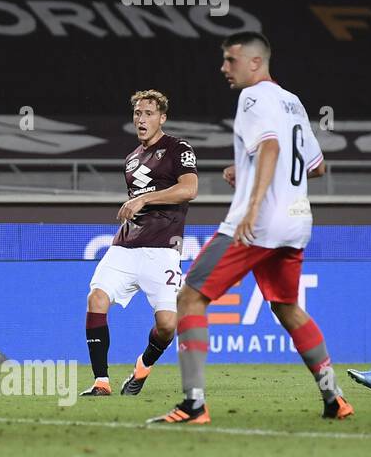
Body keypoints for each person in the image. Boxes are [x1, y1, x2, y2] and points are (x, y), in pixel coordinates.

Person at [150, 33, 353, 424]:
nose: (224, 68)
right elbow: (317, 166)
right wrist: (243, 170)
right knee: (287, 306)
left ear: (255, 62)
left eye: (230, 60)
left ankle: (193, 404)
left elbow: (272, 147)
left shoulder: (252, 97)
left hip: (258, 223)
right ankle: (335, 398)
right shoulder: (292, 101)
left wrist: (254, 203)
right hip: (296, 222)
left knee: (190, 298)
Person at [81, 90, 198, 397]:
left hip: (162, 252)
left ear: (162, 118)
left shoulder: (177, 148)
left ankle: (142, 368)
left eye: (148, 113)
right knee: (96, 299)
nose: (141, 119)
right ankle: (101, 382)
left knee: (167, 326)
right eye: (137, 113)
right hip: (124, 247)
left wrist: (144, 198)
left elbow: (189, 189)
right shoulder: (131, 160)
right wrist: (138, 204)